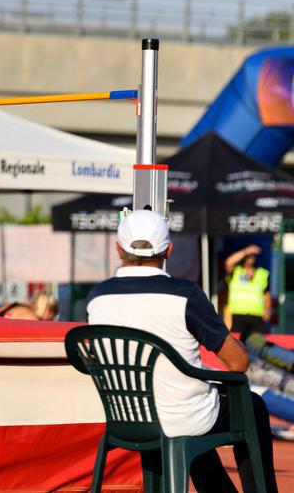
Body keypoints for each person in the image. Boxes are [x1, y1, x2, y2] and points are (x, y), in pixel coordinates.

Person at [87, 210, 277, 493]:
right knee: (251, 406)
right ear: (169, 250)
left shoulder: (97, 299)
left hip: (128, 419)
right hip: (182, 416)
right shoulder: (184, 294)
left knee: (189, 408)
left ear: (118, 249)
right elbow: (238, 363)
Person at [224, 244, 271, 337]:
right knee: (238, 345)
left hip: (257, 316)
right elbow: (228, 262)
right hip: (237, 315)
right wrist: (245, 251)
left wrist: (268, 310)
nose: (251, 258)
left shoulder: (262, 273)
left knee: (257, 345)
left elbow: (266, 294)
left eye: (253, 256)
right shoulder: (236, 271)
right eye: (249, 256)